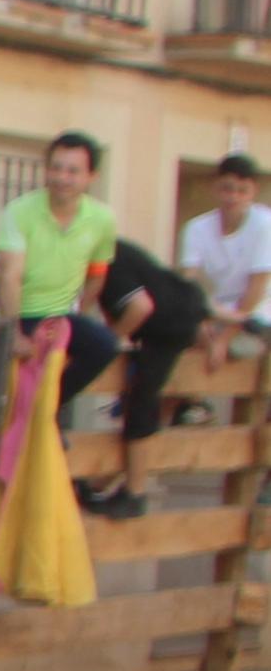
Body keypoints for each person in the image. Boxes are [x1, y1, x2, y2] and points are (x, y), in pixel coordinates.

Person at [0, 130, 126, 506]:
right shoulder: (20, 211)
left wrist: (81, 310)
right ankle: (24, 428)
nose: (62, 178)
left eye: (72, 171)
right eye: (56, 168)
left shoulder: (101, 218)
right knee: (6, 381)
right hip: (24, 311)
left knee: (104, 344)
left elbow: (98, 271)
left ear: (90, 177)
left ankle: (45, 409)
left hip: (61, 315)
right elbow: (10, 276)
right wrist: (15, 332)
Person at [81, 237, 208, 522]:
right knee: (144, 406)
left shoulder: (107, 263)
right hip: (182, 312)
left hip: (166, 328)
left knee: (140, 408)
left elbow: (140, 308)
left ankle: (135, 493)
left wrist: (108, 342)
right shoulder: (112, 253)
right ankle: (99, 483)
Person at [181, 152, 271, 343]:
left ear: (254, 191)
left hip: (259, 312)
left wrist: (225, 338)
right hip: (219, 310)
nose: (233, 197)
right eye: (227, 189)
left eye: (242, 191)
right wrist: (200, 319)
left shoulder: (265, 224)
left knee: (240, 347)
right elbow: (189, 281)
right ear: (215, 187)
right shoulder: (196, 228)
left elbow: (257, 287)